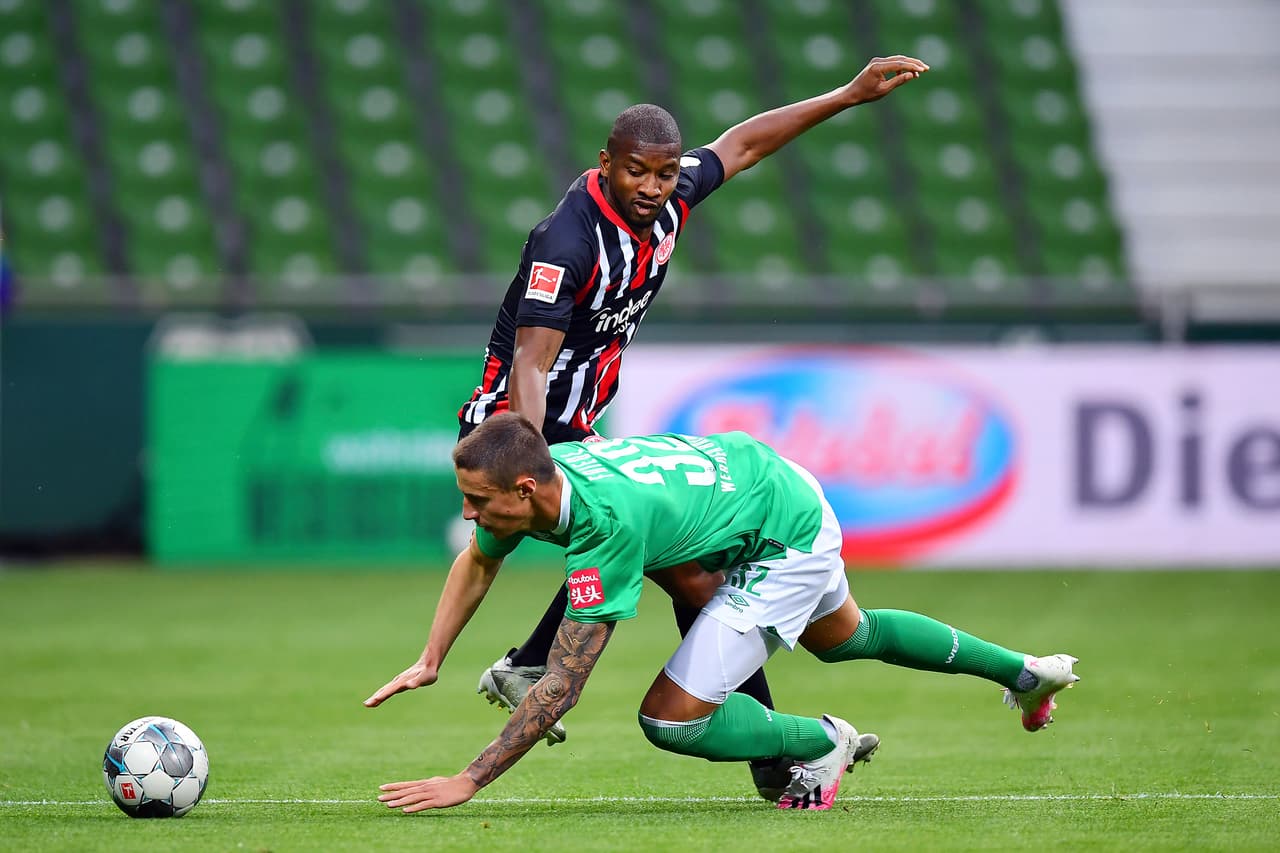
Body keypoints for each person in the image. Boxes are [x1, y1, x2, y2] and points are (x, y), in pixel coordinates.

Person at [452, 54, 930, 798]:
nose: (652, 188)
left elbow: (743, 144)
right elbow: (533, 364)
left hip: (575, 421)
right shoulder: (568, 242)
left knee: (687, 568)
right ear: (604, 164)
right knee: (690, 571)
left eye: (665, 174)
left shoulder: (670, 199)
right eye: (637, 172)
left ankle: (533, 664)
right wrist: (536, 459)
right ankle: (781, 760)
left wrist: (847, 93)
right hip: (524, 422)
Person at [365, 413, 1080, 812]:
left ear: (524, 488)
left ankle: (820, 738)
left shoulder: (604, 525)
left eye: (480, 501)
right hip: (767, 487)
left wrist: (469, 779)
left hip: (781, 534)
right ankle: (1024, 673)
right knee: (848, 636)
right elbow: (480, 559)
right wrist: (432, 656)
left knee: (668, 717)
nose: (469, 513)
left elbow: (561, 684)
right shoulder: (545, 480)